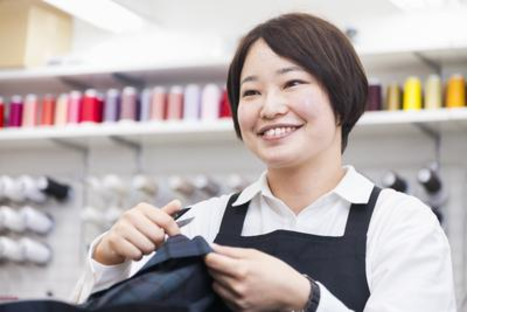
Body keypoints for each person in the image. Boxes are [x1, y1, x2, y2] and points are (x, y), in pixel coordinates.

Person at [72, 13, 457, 312]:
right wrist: (109, 257)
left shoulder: (401, 224)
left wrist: (304, 298)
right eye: (251, 92)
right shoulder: (202, 222)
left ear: (341, 96)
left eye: (292, 83)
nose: (270, 108)